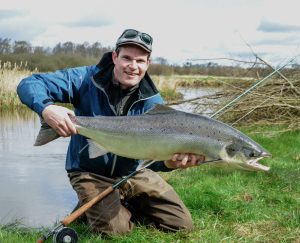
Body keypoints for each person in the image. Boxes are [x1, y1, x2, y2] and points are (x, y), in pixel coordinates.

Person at [17, 29, 205, 235]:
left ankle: (112, 203)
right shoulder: (85, 78)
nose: (133, 66)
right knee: (117, 232)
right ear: (115, 57)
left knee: (182, 225)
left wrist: (169, 163)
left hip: (133, 172)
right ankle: (98, 204)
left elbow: (153, 157)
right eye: (127, 58)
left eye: (140, 61)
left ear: (148, 64)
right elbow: (30, 84)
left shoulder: (153, 103)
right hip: (89, 171)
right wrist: (47, 109)